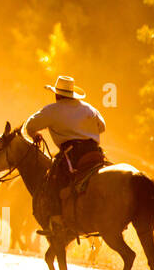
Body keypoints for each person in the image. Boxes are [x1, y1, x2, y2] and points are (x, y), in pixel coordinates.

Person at [24, 75, 107, 237]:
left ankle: (57, 221)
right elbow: (102, 127)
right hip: (95, 152)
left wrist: (35, 134)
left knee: (53, 180)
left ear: (57, 95)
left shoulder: (52, 110)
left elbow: (30, 125)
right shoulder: (88, 108)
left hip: (73, 155)